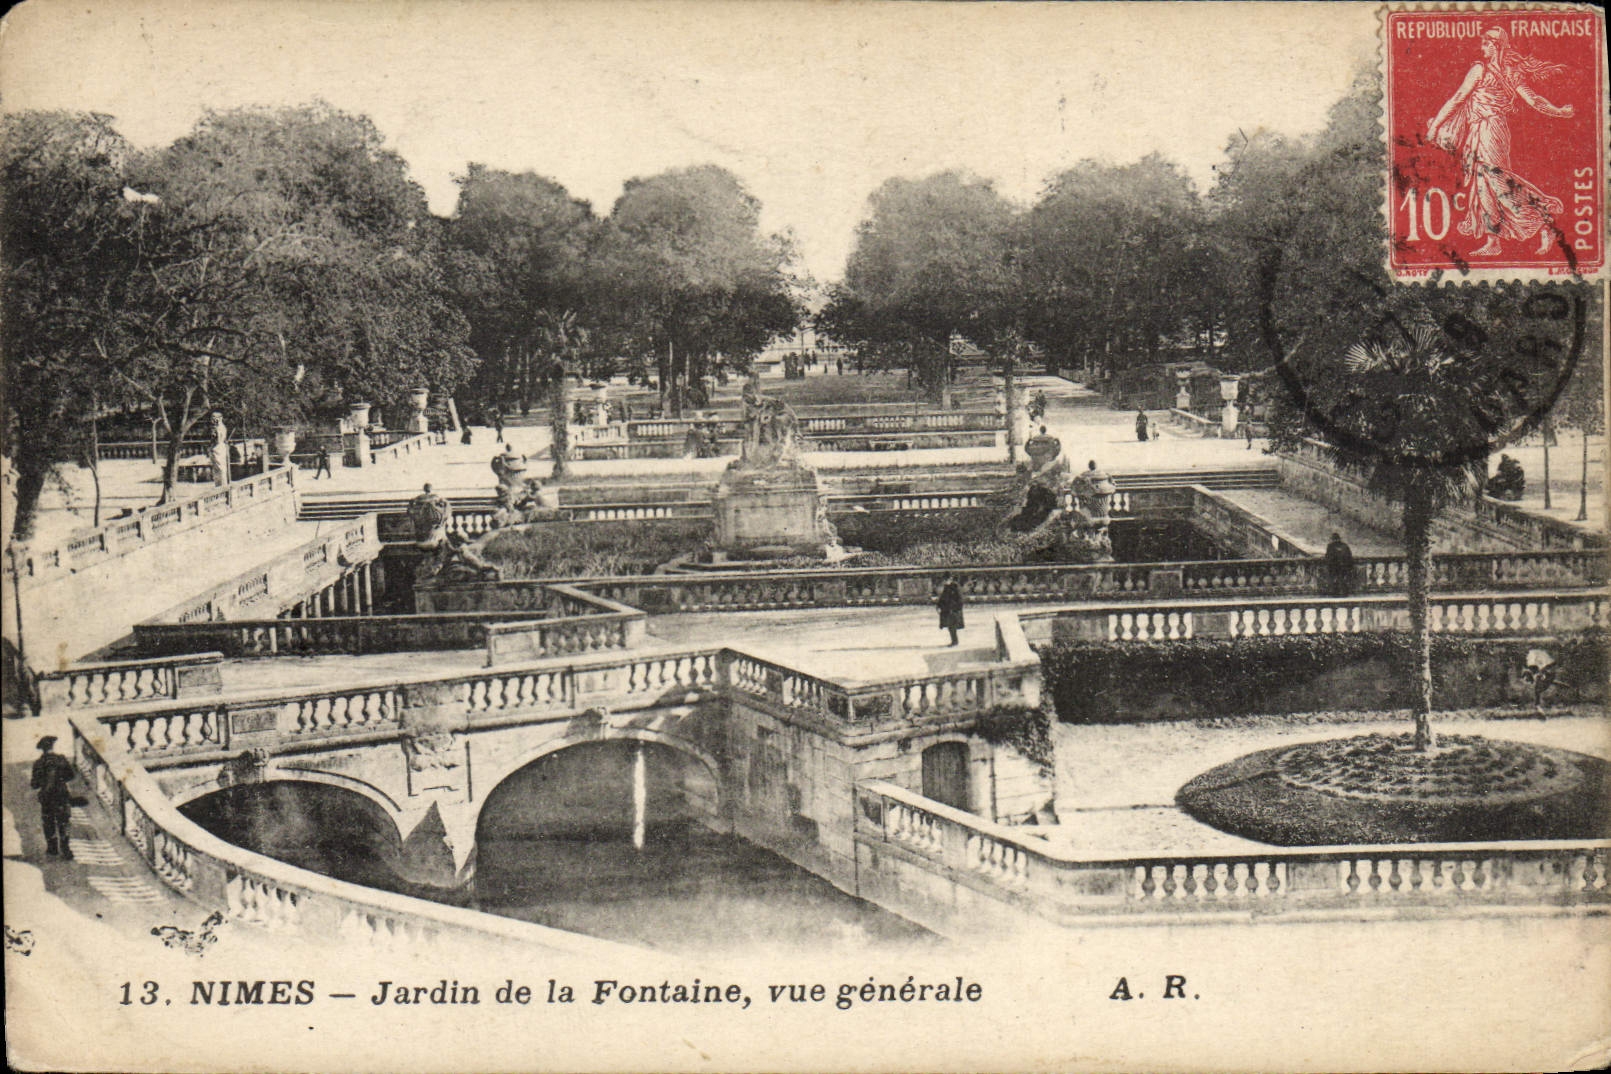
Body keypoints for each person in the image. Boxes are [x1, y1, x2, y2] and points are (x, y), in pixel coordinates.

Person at [1425, 27, 1575, 258]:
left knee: (1495, 181)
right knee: (1484, 184)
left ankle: (1542, 220)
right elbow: (1534, 100)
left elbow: (1457, 99)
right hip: (1486, 130)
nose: (1482, 48)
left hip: (1489, 130)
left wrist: (1435, 126)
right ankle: (1494, 240)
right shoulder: (1508, 72)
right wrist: (1559, 111)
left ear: (1495, 45)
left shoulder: (1481, 69)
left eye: (1485, 44)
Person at [32, 736, 75, 859]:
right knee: (64, 821)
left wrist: (43, 783)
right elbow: (71, 776)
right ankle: (65, 849)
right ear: (52, 746)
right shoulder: (61, 759)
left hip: (47, 797)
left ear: (42, 749)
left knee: (48, 821)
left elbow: (34, 784)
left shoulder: (38, 763)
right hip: (61, 795)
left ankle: (52, 848)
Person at [1323, 532, 1356, 597]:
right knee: (1343, 580)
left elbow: (1328, 557)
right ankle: (1344, 593)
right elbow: (1350, 557)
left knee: (1335, 580)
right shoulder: (1345, 546)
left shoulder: (1330, 546)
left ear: (1332, 539)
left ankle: (1335, 593)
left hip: (1334, 567)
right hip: (1344, 567)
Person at [936, 574, 965, 647]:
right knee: (950, 626)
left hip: (954, 610)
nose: (945, 582)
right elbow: (943, 598)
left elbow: (960, 599)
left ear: (950, 579)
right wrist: (938, 605)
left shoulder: (955, 586)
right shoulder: (947, 587)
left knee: (953, 626)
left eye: (946, 580)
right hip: (948, 610)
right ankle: (954, 641)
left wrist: (956, 608)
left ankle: (955, 641)